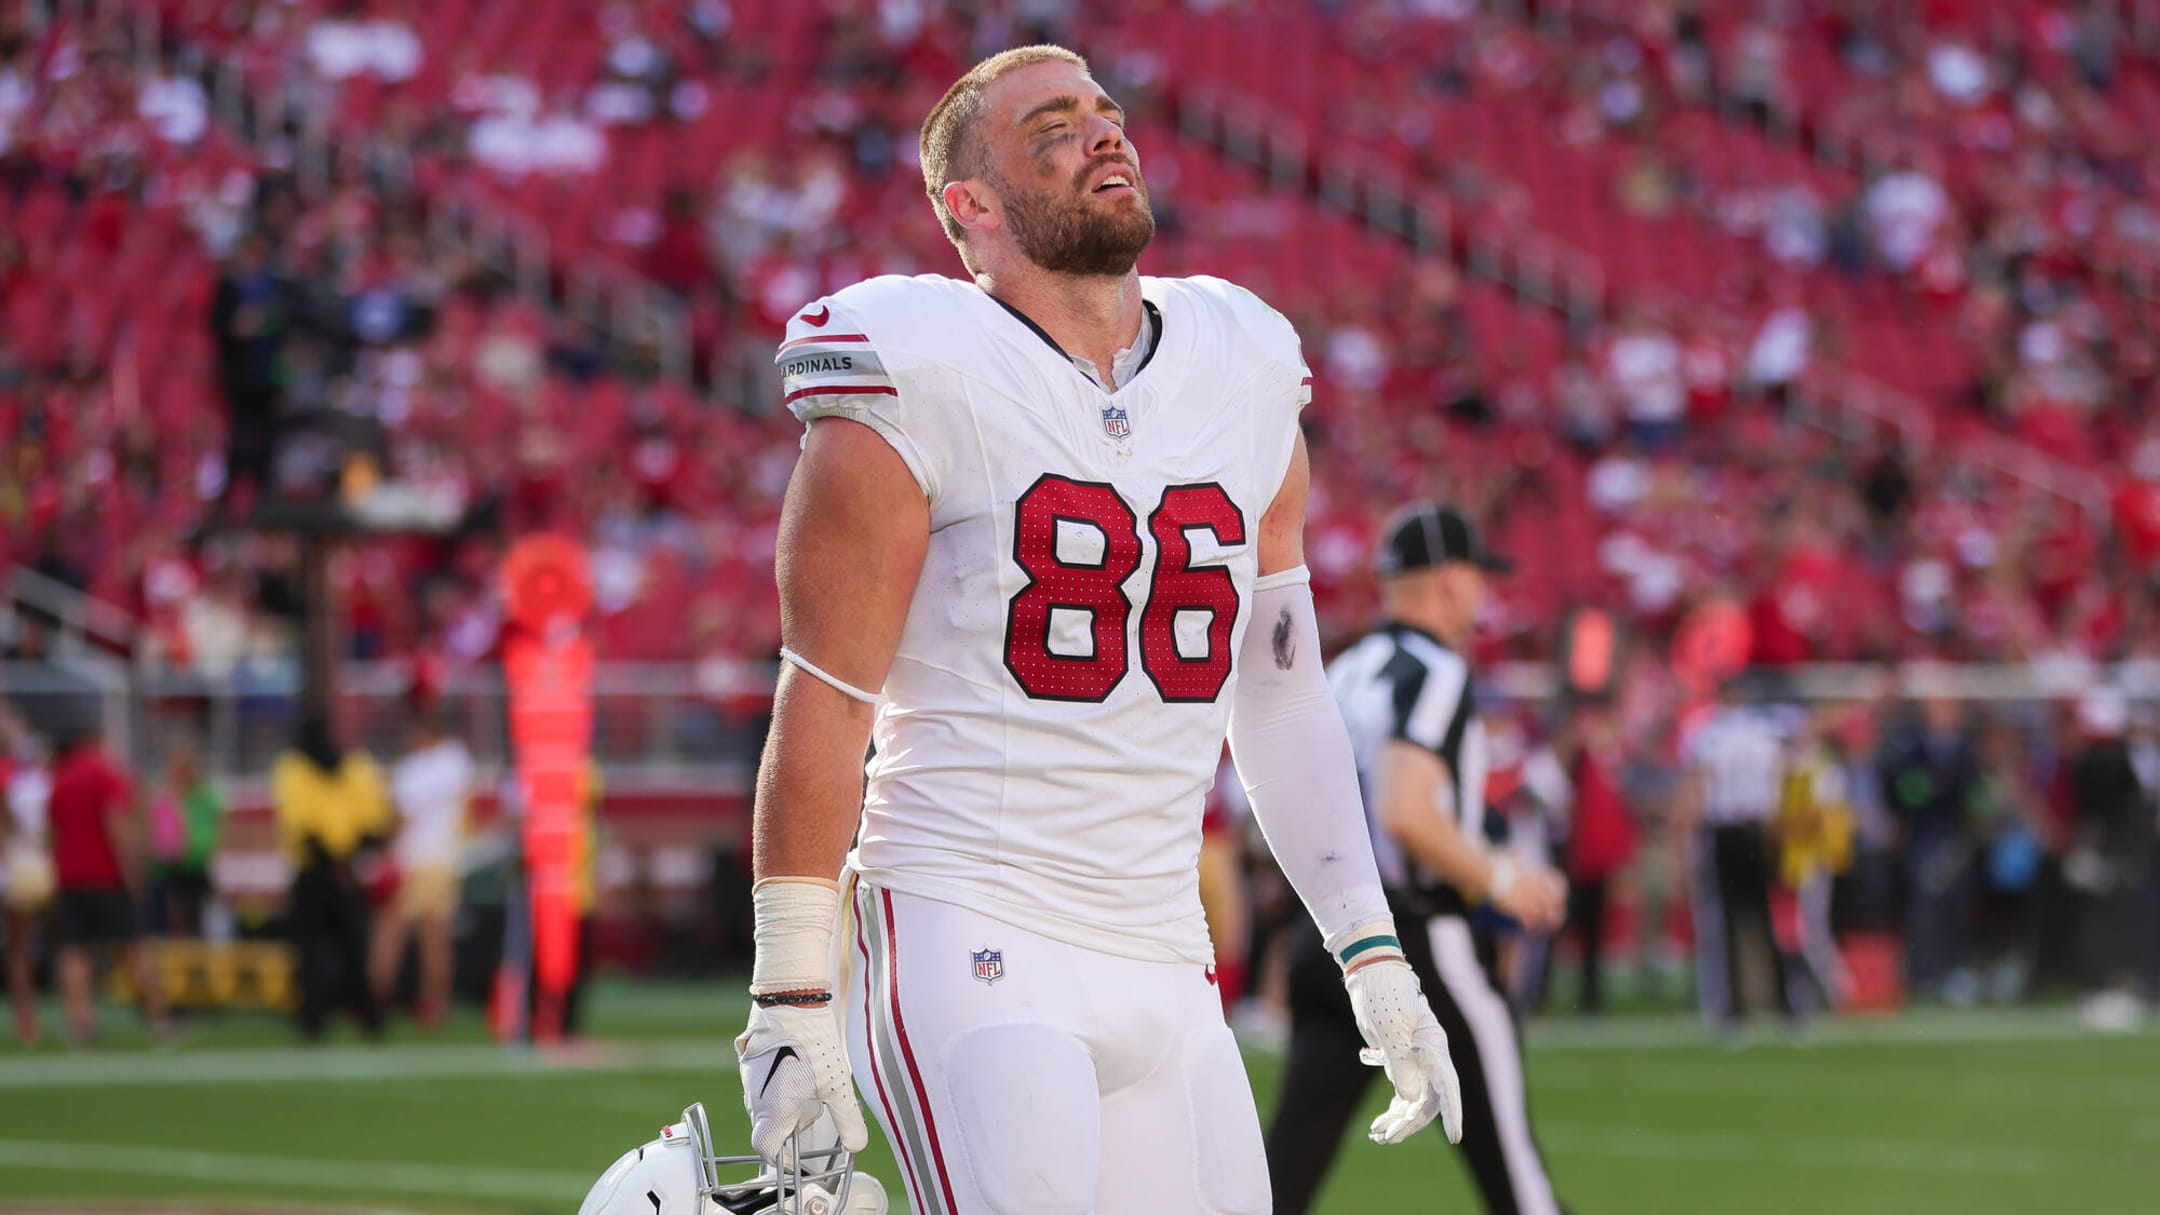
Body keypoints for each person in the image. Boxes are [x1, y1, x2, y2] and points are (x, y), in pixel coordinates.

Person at [735, 45, 1464, 1215]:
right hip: (967, 913)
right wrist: (788, 995)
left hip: (1165, 943)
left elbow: (1274, 694)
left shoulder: (1242, 358)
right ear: (967, 206)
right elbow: (824, 693)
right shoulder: (918, 360)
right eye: (1053, 129)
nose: (1104, 134)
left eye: (1108, 114)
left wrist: (1368, 950)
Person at [1266, 503, 1570, 1215]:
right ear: (1452, 579)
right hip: (1423, 942)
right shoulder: (1435, 671)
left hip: (1336, 938)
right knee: (1518, 1183)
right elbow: (1406, 810)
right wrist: (1501, 878)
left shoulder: (1343, 671)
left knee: (1282, 1177)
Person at [1678, 677, 1801, 1033]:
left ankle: (1734, 1009)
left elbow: (1697, 787)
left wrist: (1684, 838)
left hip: (1728, 830)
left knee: (1730, 921)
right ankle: (1783, 1006)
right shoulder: (1768, 731)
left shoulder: (1709, 732)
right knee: (1767, 919)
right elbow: (1786, 775)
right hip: (1760, 830)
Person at [45, 724, 170, 1043]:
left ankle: (81, 1021)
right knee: (135, 946)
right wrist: (133, 869)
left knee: (73, 950)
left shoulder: (61, 777)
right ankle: (158, 1017)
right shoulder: (106, 774)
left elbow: (52, 831)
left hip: (69, 875)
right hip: (105, 874)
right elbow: (115, 821)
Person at [272, 715, 392, 1041]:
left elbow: (302, 824)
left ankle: (321, 1018)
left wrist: (340, 859)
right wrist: (346, 859)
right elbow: (372, 822)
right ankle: (361, 1016)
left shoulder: (296, 770)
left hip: (322, 871)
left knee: (319, 948)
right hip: (338, 872)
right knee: (347, 946)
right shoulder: (352, 769)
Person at [369, 708, 475, 1027]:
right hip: (444, 860)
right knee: (436, 937)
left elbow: (401, 819)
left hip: (412, 861)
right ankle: (435, 1005)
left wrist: (384, 855)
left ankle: (377, 998)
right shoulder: (457, 759)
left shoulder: (411, 771)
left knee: (389, 932)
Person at [1, 713, 56, 1045]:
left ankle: (26, 1017)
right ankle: (28, 1017)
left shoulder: (20, 786)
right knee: (27, 944)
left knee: (21, 946)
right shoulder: (41, 786)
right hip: (29, 867)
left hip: (18, 867)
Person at [151, 739, 224, 938]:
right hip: (172, 865)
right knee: (175, 912)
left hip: (196, 864)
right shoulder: (168, 797)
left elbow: (212, 831)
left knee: (198, 913)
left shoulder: (205, 796)